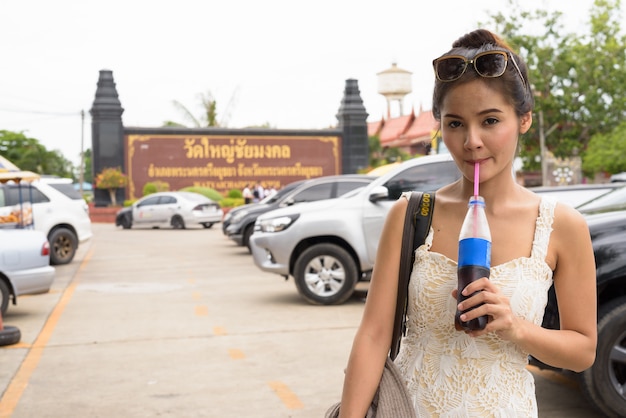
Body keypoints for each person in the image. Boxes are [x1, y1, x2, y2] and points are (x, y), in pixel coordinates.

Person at [337, 29, 597, 417]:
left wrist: (516, 327)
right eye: (455, 123)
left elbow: (583, 352)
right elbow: (373, 336)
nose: (471, 141)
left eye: (490, 120)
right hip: (412, 408)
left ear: (524, 119)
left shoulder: (562, 225)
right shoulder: (412, 213)